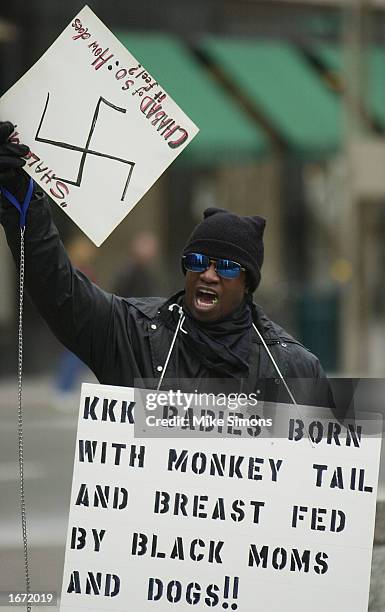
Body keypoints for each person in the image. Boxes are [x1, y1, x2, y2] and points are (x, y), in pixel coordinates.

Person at [0, 121, 334, 410]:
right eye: (198, 262)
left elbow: (330, 465)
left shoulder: (293, 369)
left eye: (227, 267)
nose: (208, 274)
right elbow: (58, 289)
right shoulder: (133, 334)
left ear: (247, 284)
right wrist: (20, 196)